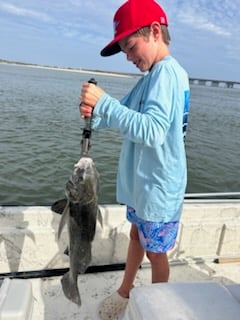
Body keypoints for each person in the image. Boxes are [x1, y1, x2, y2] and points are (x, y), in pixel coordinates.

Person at [80, 0, 190, 319]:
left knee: (156, 252)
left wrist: (106, 104)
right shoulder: (149, 78)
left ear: (155, 31)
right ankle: (126, 290)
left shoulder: (168, 74)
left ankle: (158, 307)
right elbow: (121, 114)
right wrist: (95, 113)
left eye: (130, 47)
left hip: (158, 189)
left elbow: (153, 131)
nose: (129, 58)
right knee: (135, 236)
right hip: (142, 186)